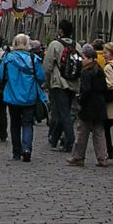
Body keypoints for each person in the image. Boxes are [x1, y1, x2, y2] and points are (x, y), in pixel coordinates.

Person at [0, 31, 46, 163]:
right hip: (29, 96)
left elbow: (0, 76)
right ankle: (27, 149)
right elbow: (41, 77)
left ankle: (16, 152)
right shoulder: (34, 59)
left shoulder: (8, 58)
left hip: (12, 96)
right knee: (27, 123)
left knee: (15, 124)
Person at [67, 43, 109, 167]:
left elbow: (86, 90)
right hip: (99, 105)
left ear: (90, 59)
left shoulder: (86, 72)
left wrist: (81, 103)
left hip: (89, 105)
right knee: (99, 132)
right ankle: (102, 157)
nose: (82, 60)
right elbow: (105, 88)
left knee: (82, 132)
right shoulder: (100, 70)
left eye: (84, 58)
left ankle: (78, 157)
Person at [43, 19, 76, 154]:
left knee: (63, 113)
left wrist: (46, 82)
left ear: (61, 31)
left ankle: (70, 141)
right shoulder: (76, 45)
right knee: (64, 111)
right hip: (73, 83)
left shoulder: (55, 45)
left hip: (59, 82)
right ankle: (54, 138)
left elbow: (47, 66)